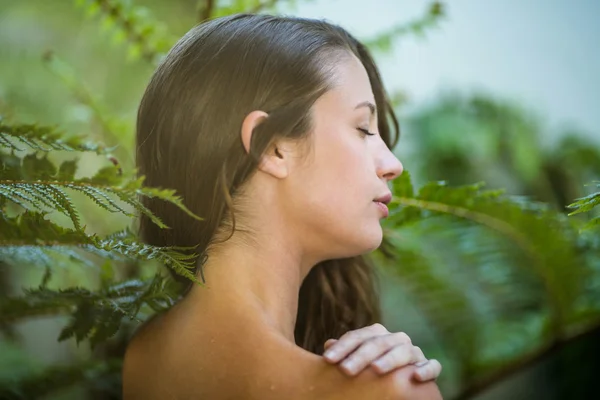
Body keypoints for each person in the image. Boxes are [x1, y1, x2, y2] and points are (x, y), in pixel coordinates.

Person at [123, 13, 443, 400]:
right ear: (271, 146)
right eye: (362, 129)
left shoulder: (144, 357)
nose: (393, 165)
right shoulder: (384, 389)